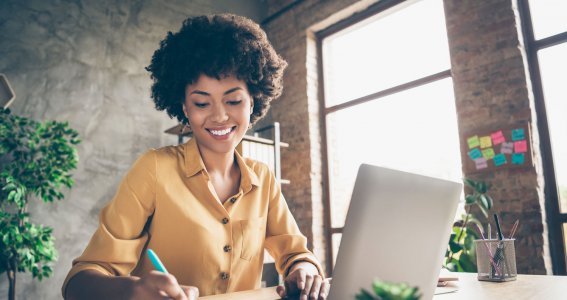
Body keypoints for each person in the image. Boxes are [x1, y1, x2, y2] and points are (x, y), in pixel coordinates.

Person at [62, 13, 329, 300]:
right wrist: (132, 290)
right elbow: (79, 283)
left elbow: (295, 252)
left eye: (234, 100)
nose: (219, 116)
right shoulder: (154, 169)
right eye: (202, 102)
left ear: (253, 101)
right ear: (185, 108)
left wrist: (303, 268)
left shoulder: (263, 178)